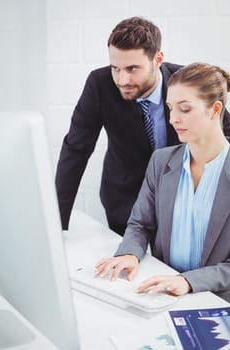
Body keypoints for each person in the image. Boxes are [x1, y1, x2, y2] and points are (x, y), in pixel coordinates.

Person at [55, 16, 230, 235]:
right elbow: (76, 149)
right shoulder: (99, 84)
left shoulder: (184, 82)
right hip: (124, 200)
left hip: (182, 199)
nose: (122, 80)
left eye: (132, 68)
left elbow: (225, 133)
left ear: (158, 59)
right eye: (115, 68)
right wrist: (56, 224)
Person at [95, 62, 230, 302]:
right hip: (163, 293)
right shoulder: (161, 161)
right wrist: (130, 254)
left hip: (216, 299)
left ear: (214, 109)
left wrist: (188, 281)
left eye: (185, 109)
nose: (173, 119)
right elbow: (140, 224)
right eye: (170, 108)